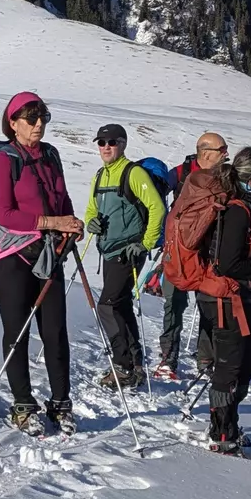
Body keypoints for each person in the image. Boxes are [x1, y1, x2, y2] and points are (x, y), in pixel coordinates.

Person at [0, 91, 84, 437]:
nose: (39, 125)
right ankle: (23, 405)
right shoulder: (3, 160)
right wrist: (55, 223)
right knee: (18, 330)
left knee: (55, 331)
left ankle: (60, 403)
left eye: (43, 118)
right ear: (13, 123)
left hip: (48, 252)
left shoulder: (51, 155)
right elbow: (6, 215)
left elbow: (63, 197)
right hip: (11, 255)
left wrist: (70, 221)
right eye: (31, 119)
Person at [194, 151, 251, 454]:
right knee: (230, 369)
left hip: (241, 301)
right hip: (227, 301)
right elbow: (226, 264)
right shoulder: (237, 211)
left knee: (245, 364)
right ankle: (221, 434)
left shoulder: (248, 209)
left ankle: (227, 426)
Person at [82, 123, 165, 390]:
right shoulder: (100, 175)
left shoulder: (134, 173)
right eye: (101, 143)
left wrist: (145, 243)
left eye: (112, 142)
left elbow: (157, 208)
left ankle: (123, 365)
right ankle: (134, 362)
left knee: (107, 306)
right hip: (109, 250)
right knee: (120, 304)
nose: (106, 147)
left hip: (129, 252)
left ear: (123, 144)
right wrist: (91, 222)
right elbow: (91, 209)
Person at [154, 132, 229, 381]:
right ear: (206, 152)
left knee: (207, 304)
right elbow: (156, 194)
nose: (227, 154)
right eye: (223, 149)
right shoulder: (182, 172)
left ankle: (205, 359)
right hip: (178, 249)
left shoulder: (226, 177)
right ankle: (168, 357)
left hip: (210, 251)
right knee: (173, 304)